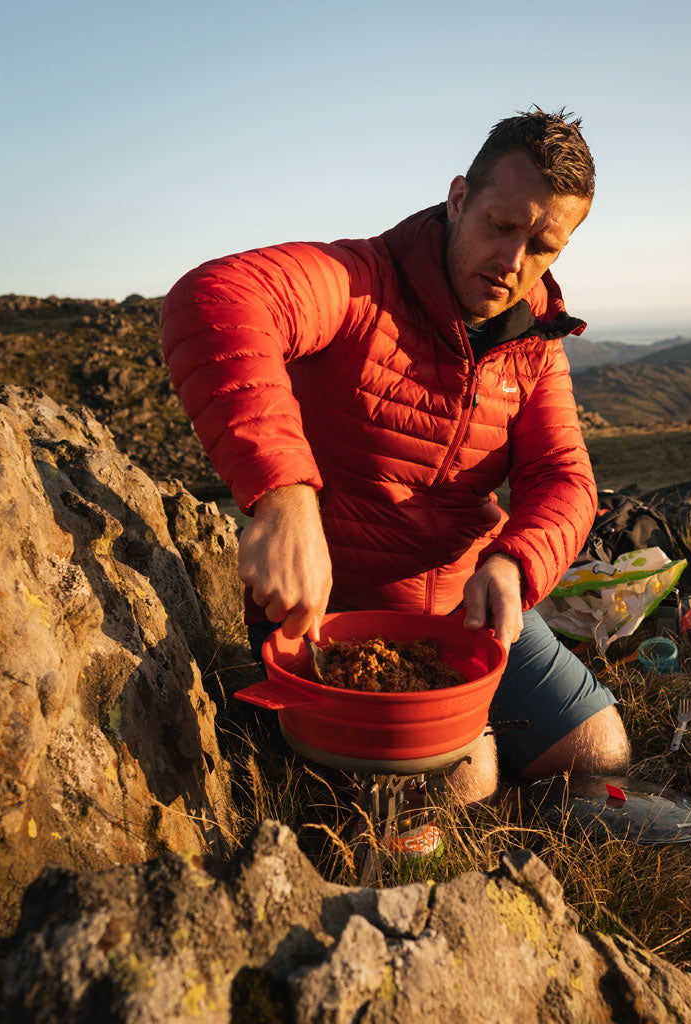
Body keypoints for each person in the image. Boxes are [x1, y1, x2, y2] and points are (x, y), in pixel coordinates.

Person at [161, 107, 630, 804]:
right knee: (460, 781)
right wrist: (283, 496)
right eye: (501, 226)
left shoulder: (533, 341)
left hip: (468, 610)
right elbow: (218, 297)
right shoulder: (359, 283)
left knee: (601, 752)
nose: (512, 263)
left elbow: (563, 478)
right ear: (458, 198)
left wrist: (513, 563)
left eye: (542, 247)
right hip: (337, 614)